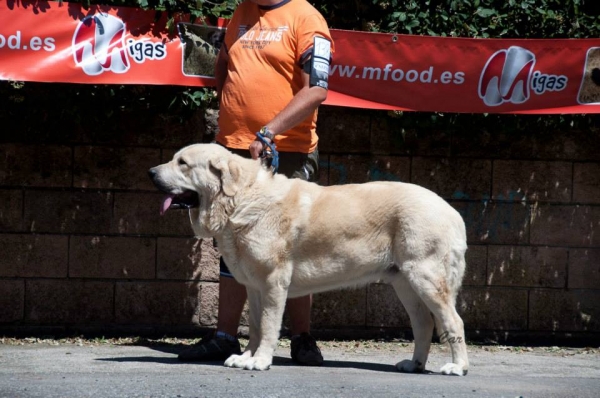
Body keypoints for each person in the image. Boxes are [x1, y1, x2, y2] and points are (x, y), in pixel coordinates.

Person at [178, 0, 334, 366]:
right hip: (232, 152)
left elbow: (317, 91)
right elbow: (224, 65)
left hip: (285, 150)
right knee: (230, 243)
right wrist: (231, 112)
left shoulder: (306, 17)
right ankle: (224, 338)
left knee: (288, 246)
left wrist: (268, 131)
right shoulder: (242, 12)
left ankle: (301, 339)